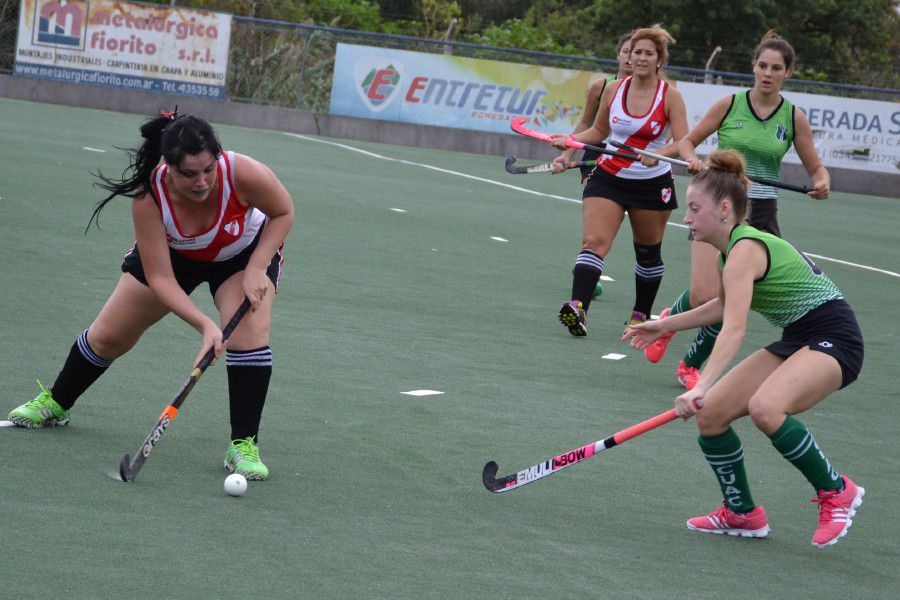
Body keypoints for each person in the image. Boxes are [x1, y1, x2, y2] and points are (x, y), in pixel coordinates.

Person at [7, 110, 294, 481]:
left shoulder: (242, 173)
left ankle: (243, 444)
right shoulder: (149, 196)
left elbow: (283, 211)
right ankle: (57, 402)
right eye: (189, 174)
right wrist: (205, 324)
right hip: (173, 257)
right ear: (168, 167)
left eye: (208, 169)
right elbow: (160, 279)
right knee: (109, 335)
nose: (202, 181)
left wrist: (258, 266)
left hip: (240, 255)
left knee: (247, 334)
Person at [624, 150, 863, 548]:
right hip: (798, 337)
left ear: (722, 209)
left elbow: (734, 328)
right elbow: (721, 307)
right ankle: (742, 513)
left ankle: (836, 491)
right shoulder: (729, 255)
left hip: (835, 338)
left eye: (694, 208)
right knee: (712, 416)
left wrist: (701, 385)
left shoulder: (744, 250)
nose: (686, 218)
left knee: (766, 408)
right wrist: (665, 324)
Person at [645, 31, 830, 390]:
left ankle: (690, 365)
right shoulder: (729, 104)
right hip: (718, 207)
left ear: (787, 73)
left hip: (760, 215)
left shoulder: (793, 118)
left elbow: (817, 170)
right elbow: (687, 141)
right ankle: (672, 317)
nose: (767, 73)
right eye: (762, 65)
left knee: (731, 300)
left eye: (776, 68)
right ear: (753, 66)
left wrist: (822, 183)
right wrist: (690, 159)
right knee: (704, 296)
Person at [550, 24, 689, 336]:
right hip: (610, 177)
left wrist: (659, 153)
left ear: (659, 60)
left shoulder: (671, 97)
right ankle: (578, 307)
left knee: (648, 253)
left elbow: (683, 142)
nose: (639, 57)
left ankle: (640, 316)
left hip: (652, 183)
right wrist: (570, 142)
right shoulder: (613, 90)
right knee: (594, 242)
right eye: (636, 51)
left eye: (647, 53)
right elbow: (598, 132)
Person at [553, 30, 634, 184]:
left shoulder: (653, 93)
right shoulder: (600, 87)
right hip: (596, 150)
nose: (629, 57)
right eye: (625, 51)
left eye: (634, 52)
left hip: (628, 155)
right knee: (595, 197)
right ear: (618, 55)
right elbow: (585, 123)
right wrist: (566, 155)